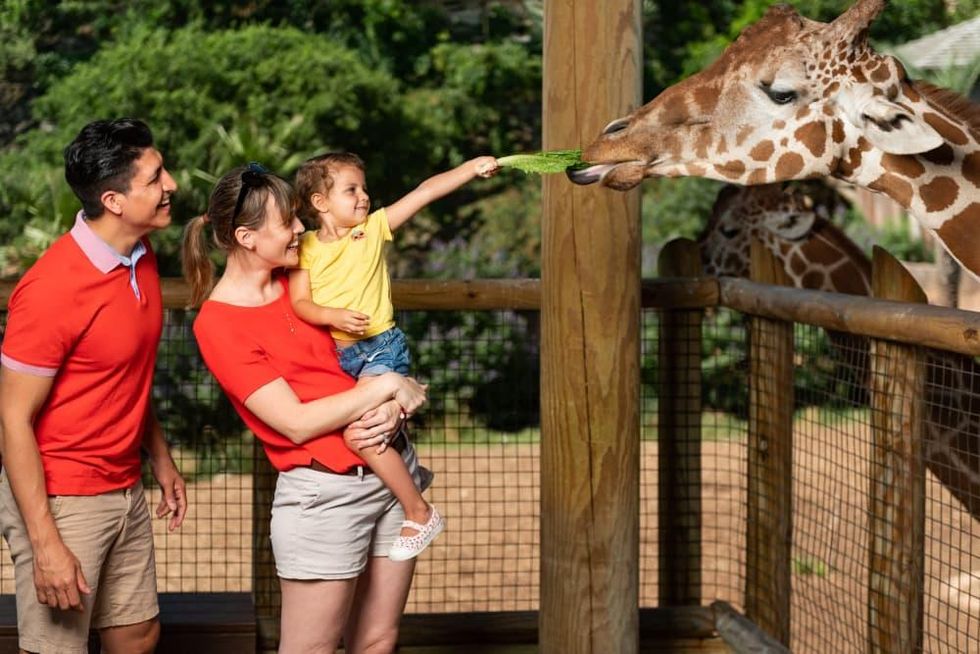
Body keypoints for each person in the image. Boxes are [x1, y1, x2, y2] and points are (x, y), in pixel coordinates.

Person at [182, 163, 428, 653]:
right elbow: (295, 423)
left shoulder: (307, 278)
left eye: (298, 217)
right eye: (287, 223)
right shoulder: (219, 324)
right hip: (325, 497)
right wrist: (391, 387)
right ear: (247, 237)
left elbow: (374, 357)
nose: (300, 229)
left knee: (378, 639)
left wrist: (402, 398)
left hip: (392, 466)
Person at [0, 118, 187, 654]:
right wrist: (45, 543)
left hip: (124, 486)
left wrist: (161, 458)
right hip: (61, 498)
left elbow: (120, 375)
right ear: (115, 200)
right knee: (59, 647)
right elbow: (13, 419)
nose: (170, 184)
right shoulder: (50, 290)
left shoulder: (140, 255)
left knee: (138, 634)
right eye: (155, 178)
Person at [290, 152, 498, 560]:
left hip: (382, 348)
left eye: (364, 188)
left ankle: (419, 512)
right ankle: (408, 467)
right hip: (338, 357)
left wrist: (471, 169)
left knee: (360, 434)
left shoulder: (372, 230)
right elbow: (301, 302)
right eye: (352, 190)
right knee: (367, 430)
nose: (364, 197)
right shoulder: (306, 248)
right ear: (320, 202)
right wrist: (332, 315)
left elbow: (424, 193)